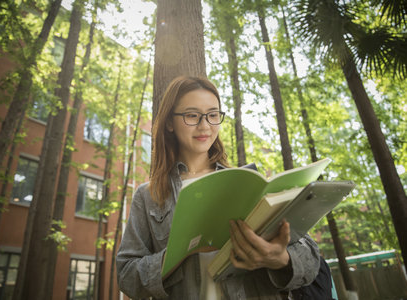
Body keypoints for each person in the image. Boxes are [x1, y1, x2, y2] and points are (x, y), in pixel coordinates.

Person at [116, 76, 320, 299]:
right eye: (192, 115)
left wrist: (279, 258)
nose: (205, 126)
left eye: (213, 115)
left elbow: (311, 259)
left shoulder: (248, 182)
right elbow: (127, 277)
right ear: (169, 123)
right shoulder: (149, 196)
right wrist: (178, 253)